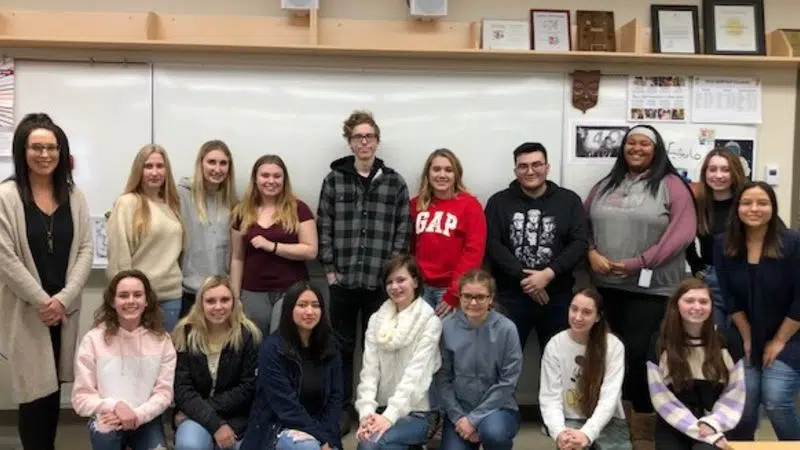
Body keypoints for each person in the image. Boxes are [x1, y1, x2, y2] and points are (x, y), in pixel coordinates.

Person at [585, 125, 696, 414]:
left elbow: (681, 234)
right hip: (606, 287)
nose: (636, 148)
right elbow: (582, 224)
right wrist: (591, 251)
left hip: (652, 290)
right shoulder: (605, 185)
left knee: (638, 357)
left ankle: (643, 422)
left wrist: (640, 262)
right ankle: (613, 422)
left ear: (656, 150)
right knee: (608, 356)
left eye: (644, 144)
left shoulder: (672, 185)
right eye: (631, 143)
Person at [0, 113, 93, 450]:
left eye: (51, 147)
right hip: (29, 312)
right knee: (34, 395)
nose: (45, 154)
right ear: (22, 151)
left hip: (63, 312)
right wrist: (44, 302)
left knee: (53, 392)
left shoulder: (73, 195)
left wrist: (63, 300)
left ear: (61, 151)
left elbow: (85, 248)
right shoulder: (7, 196)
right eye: (36, 147)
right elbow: (5, 257)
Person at [317, 110, 410, 432]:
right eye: (358, 137)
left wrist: (393, 277)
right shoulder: (334, 180)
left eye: (369, 136)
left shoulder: (394, 182)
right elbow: (324, 225)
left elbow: (402, 231)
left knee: (380, 350)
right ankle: (343, 408)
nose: (364, 142)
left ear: (377, 141)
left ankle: (376, 410)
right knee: (341, 349)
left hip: (379, 285)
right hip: (342, 282)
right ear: (350, 142)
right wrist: (330, 270)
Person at [714, 181, 800, 441]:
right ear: (737, 207)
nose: (754, 209)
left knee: (775, 399)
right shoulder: (723, 244)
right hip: (746, 332)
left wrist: (779, 341)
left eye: (762, 203)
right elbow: (729, 298)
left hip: (792, 335)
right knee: (744, 402)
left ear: (773, 208)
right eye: (747, 203)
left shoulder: (793, 242)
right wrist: (748, 336)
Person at [484, 142, 588, 352]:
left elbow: (579, 243)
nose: (530, 171)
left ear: (547, 167)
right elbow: (492, 244)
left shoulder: (569, 201)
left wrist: (548, 274)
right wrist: (529, 281)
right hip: (510, 297)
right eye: (523, 166)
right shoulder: (498, 202)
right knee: (503, 358)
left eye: (536, 164)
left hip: (557, 296)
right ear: (515, 170)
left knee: (558, 359)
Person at [71, 269, 177, 450]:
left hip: (146, 417)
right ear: (112, 301)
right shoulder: (93, 339)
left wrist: (136, 415)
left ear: (147, 301)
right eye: (123, 295)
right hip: (108, 416)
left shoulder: (162, 340)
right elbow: (81, 398)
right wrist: (116, 407)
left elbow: (164, 394)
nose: (131, 301)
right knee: (105, 436)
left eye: (137, 295)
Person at [240, 281, 343, 450]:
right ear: (289, 309)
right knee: (308, 447)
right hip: (279, 426)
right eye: (302, 305)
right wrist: (320, 437)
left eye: (315, 305)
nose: (309, 311)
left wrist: (327, 437)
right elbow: (285, 405)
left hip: (320, 427)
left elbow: (336, 398)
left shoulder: (330, 345)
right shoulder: (272, 349)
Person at [355, 254, 442, 450]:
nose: (395, 287)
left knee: (371, 443)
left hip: (418, 414)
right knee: (375, 442)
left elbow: (415, 376)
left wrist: (389, 417)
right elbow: (369, 373)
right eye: (389, 282)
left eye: (401, 280)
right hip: (379, 410)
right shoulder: (376, 320)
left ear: (416, 282)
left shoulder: (430, 322)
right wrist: (366, 415)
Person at [647, 278, 745, 450]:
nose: (697, 307)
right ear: (676, 305)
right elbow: (661, 397)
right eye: (689, 301)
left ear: (711, 306)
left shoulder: (728, 341)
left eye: (703, 301)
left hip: (716, 421)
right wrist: (696, 429)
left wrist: (713, 424)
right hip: (673, 422)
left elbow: (735, 393)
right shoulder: (660, 342)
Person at [172, 275, 262, 450]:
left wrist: (209, 414)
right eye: (210, 301)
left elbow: (248, 388)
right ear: (200, 304)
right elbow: (182, 389)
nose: (218, 307)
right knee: (190, 445)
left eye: (225, 300)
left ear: (234, 303)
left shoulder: (249, 335)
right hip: (195, 414)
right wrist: (215, 423)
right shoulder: (185, 333)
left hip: (236, 416)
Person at [436, 269, 522, 450]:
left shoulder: (507, 329)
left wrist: (473, 420)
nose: (473, 302)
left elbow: (508, 381)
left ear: (491, 298)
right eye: (467, 296)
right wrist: (459, 418)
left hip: (498, 408)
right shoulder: (446, 327)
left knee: (494, 434)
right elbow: (443, 378)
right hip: (460, 411)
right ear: (459, 297)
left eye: (480, 297)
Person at [231, 154, 317, 336]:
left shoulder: (299, 209)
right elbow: (237, 258)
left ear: (284, 180)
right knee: (255, 341)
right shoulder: (241, 211)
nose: (271, 181)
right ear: (255, 179)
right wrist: (235, 296)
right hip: (252, 291)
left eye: (277, 176)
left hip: (291, 289)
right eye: (265, 175)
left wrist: (272, 246)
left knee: (284, 342)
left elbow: (310, 250)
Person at [539, 289, 630, 450]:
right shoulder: (555, 344)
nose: (578, 317)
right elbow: (550, 397)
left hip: (608, 420)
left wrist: (587, 434)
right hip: (569, 420)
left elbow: (609, 397)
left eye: (587, 312)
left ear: (598, 317)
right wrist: (559, 432)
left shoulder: (613, 346)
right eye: (574, 309)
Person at [107, 144, 184, 331]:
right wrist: (126, 296)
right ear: (138, 170)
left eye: (160, 166)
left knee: (165, 349)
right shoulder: (127, 203)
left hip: (170, 296)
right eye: (148, 166)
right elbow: (119, 256)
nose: (155, 172)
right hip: (137, 299)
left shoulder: (172, 205)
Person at [410, 148, 486, 316]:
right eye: (436, 169)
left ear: (456, 174)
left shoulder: (470, 206)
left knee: (448, 334)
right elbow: (410, 247)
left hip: (451, 290)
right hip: (420, 287)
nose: (442, 175)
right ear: (428, 173)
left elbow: (474, 252)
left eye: (448, 170)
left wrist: (454, 292)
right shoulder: (416, 205)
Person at [686, 148, 746, 329]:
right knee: (714, 336)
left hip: (745, 278)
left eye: (725, 170)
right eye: (712, 169)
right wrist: (696, 266)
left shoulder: (747, 202)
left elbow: (778, 236)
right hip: (712, 279)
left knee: (742, 337)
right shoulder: (697, 204)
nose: (718, 175)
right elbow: (684, 237)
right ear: (705, 173)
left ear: (735, 172)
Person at [178, 140, 238, 318]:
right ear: (200, 164)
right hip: (189, 291)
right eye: (211, 162)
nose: (217, 169)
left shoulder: (232, 202)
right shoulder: (181, 195)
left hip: (221, 294)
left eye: (223, 163)